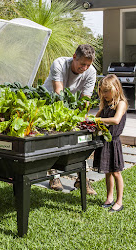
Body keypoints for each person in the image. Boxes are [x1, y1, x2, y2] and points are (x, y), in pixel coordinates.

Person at [43, 44, 97, 195]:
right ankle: (54, 176)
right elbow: (58, 93)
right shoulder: (59, 64)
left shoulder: (91, 72)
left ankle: (82, 179)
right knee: (54, 141)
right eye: (82, 64)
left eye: (88, 65)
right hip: (50, 105)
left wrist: (81, 120)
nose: (85, 68)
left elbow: (85, 100)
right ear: (74, 57)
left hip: (71, 107)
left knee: (80, 142)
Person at [93, 74, 127, 212]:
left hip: (114, 142)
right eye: (102, 91)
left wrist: (97, 121)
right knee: (107, 171)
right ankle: (109, 198)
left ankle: (119, 202)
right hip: (104, 141)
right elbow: (95, 117)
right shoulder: (105, 104)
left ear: (116, 89)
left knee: (116, 173)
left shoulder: (121, 103)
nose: (104, 94)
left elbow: (116, 120)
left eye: (107, 91)